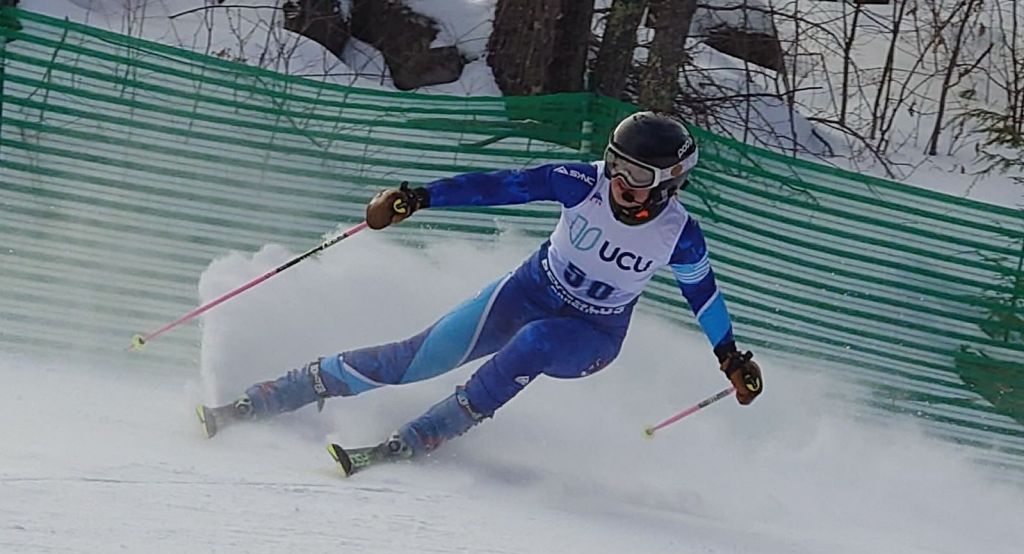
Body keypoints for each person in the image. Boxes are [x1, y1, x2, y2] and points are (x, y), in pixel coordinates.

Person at [198, 111, 764, 463]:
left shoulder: (678, 235)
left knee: (537, 342)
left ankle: (429, 433)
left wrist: (729, 356)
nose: (620, 183)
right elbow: (503, 185)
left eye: (637, 176)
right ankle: (272, 395)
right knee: (412, 358)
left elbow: (704, 297)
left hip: (591, 333)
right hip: (527, 288)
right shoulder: (580, 182)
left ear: (668, 182)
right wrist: (419, 197)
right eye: (616, 165)